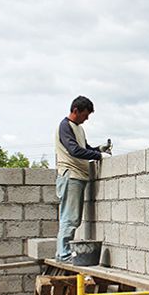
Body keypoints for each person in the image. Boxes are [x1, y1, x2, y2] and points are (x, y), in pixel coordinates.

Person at [55, 96, 111, 262]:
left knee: (73, 217)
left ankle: (63, 253)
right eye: (85, 115)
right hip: (70, 175)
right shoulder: (65, 126)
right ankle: (64, 254)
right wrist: (98, 155)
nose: (87, 118)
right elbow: (74, 150)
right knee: (69, 217)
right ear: (75, 111)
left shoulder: (78, 128)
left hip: (78, 176)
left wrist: (98, 149)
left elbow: (84, 148)